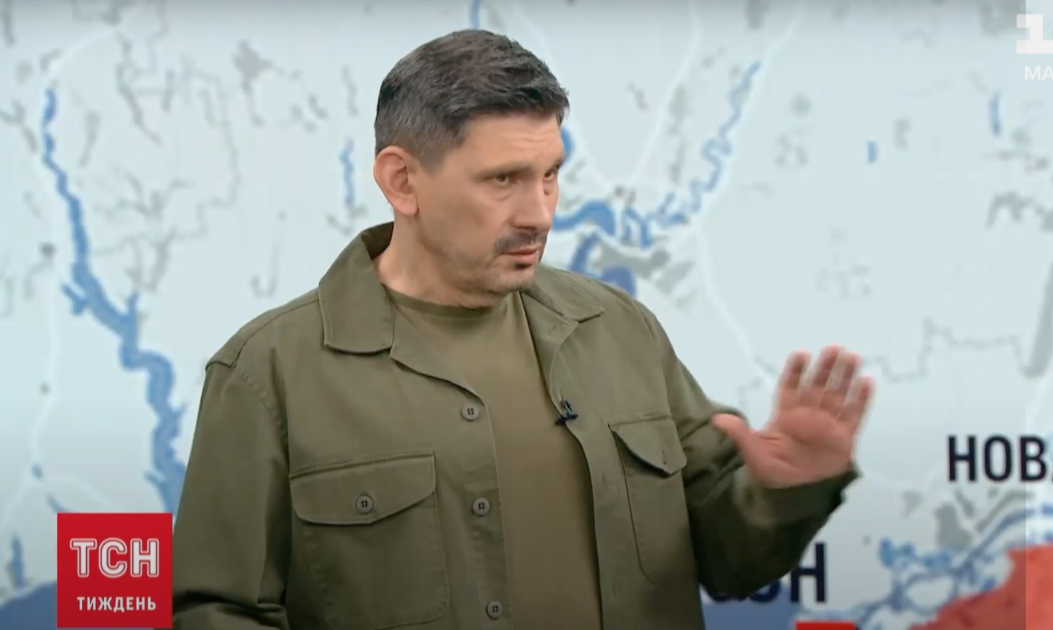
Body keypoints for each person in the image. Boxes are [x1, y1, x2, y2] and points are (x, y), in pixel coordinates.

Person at [171, 28, 873, 630]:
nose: (538, 213)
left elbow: (731, 558)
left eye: (550, 175)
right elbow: (215, 610)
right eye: (503, 179)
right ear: (402, 181)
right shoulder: (268, 374)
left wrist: (788, 490)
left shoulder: (619, 331)